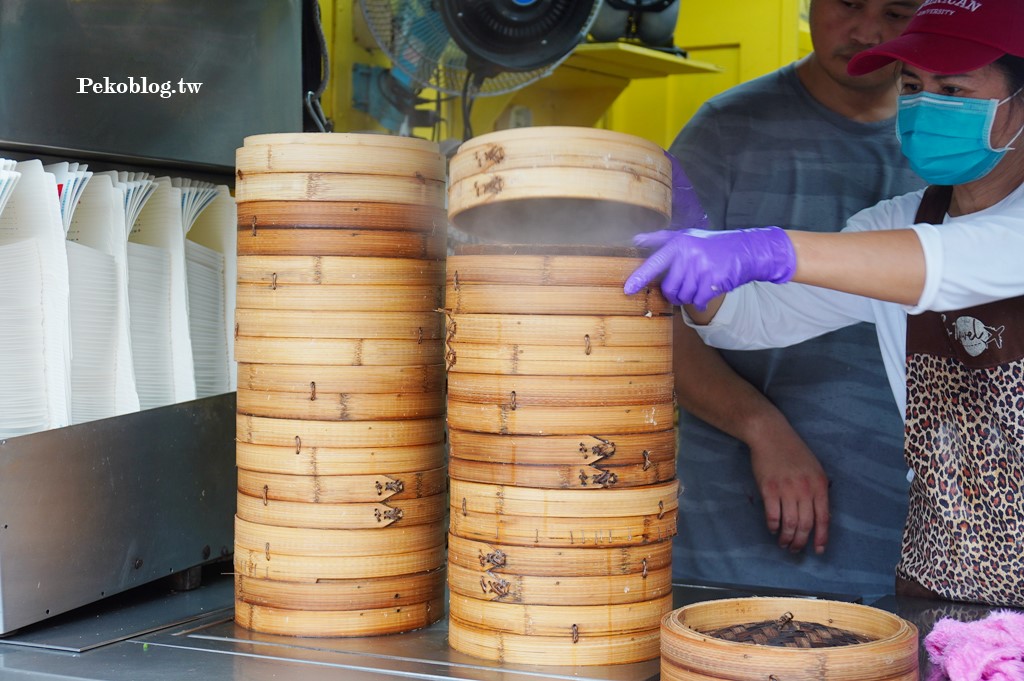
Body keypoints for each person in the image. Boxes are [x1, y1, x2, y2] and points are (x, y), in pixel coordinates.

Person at [626, 0, 1024, 607]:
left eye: (952, 88)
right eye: (913, 86)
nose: (922, 105)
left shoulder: (949, 241)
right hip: (945, 572)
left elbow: (954, 263)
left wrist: (770, 247)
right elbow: (760, 318)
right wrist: (705, 291)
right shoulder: (899, 221)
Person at [667, 0, 923, 598]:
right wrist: (762, 427)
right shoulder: (724, 133)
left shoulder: (949, 152)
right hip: (737, 529)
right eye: (848, 5)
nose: (866, 31)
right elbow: (658, 320)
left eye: (894, 11)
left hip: (908, 535)